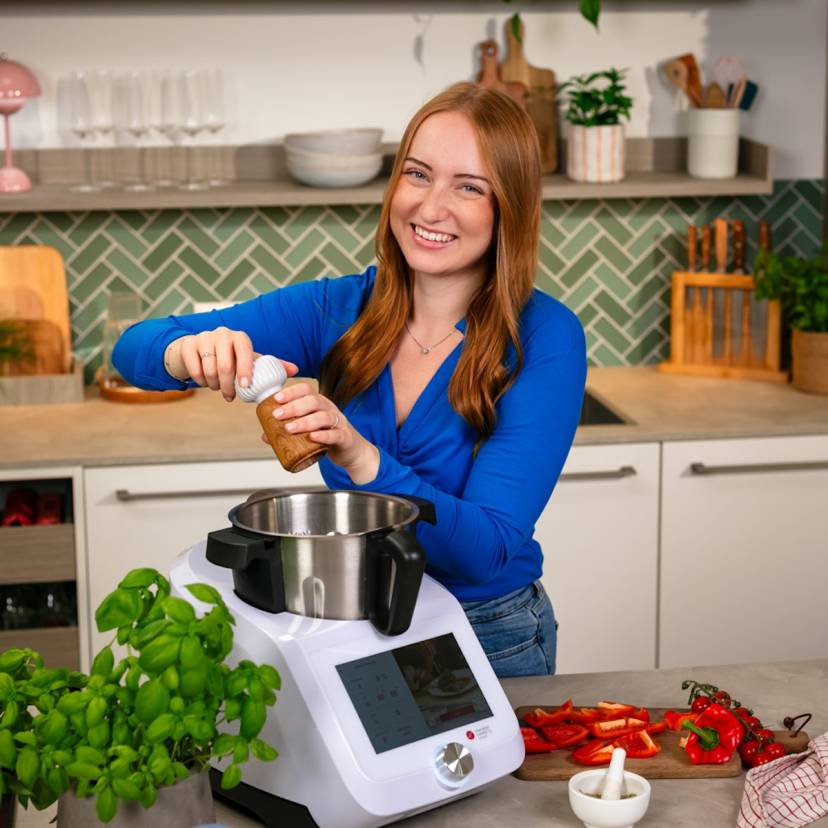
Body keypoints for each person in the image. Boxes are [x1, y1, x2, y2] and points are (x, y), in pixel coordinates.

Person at [113, 81, 587, 678]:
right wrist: (190, 351)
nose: (430, 207)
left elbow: (484, 551)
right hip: (352, 624)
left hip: (487, 635)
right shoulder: (340, 310)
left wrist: (362, 458)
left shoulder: (545, 336)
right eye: (418, 175)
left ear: (508, 207)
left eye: (468, 186)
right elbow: (131, 349)